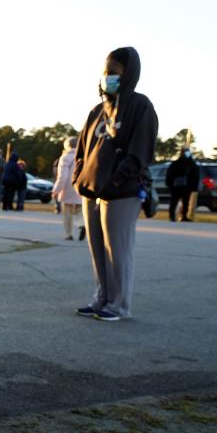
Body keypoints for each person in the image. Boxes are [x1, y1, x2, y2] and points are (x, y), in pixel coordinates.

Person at [73, 46, 158, 321]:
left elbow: (140, 152)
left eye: (114, 72)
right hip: (91, 190)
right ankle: (101, 298)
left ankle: (119, 304)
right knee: (97, 249)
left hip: (121, 192)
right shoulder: (97, 111)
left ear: (128, 74)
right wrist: (78, 179)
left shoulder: (139, 106)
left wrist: (116, 181)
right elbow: (82, 150)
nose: (107, 77)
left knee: (117, 250)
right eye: (105, 72)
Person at [52, 136, 85, 240]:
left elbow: (63, 176)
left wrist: (56, 190)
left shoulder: (65, 157)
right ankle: (81, 224)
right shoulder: (84, 156)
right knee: (80, 210)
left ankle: (68, 234)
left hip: (68, 187)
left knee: (67, 211)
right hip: (81, 186)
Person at [166, 147, 199, 222]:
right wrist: (170, 185)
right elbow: (170, 175)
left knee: (186, 202)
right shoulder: (176, 164)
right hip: (177, 187)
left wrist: (194, 186)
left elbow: (195, 175)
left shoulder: (191, 164)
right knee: (174, 201)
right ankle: (172, 216)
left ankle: (184, 216)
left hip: (187, 187)